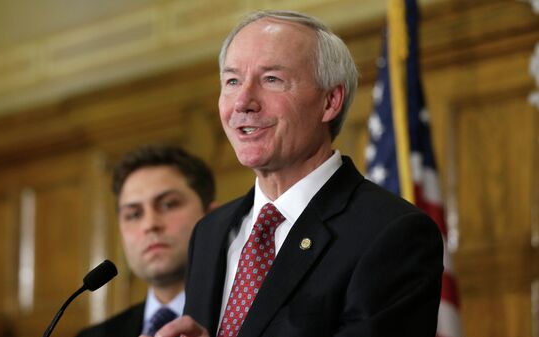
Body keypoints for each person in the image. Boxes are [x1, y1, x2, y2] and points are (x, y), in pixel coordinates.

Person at [151, 10, 444, 337]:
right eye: (232, 81)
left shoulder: (392, 233)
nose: (243, 102)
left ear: (330, 101)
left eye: (271, 79)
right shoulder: (210, 232)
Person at [77, 144, 216, 337]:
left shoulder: (245, 317)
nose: (149, 224)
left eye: (168, 204)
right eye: (134, 214)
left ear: (212, 217)